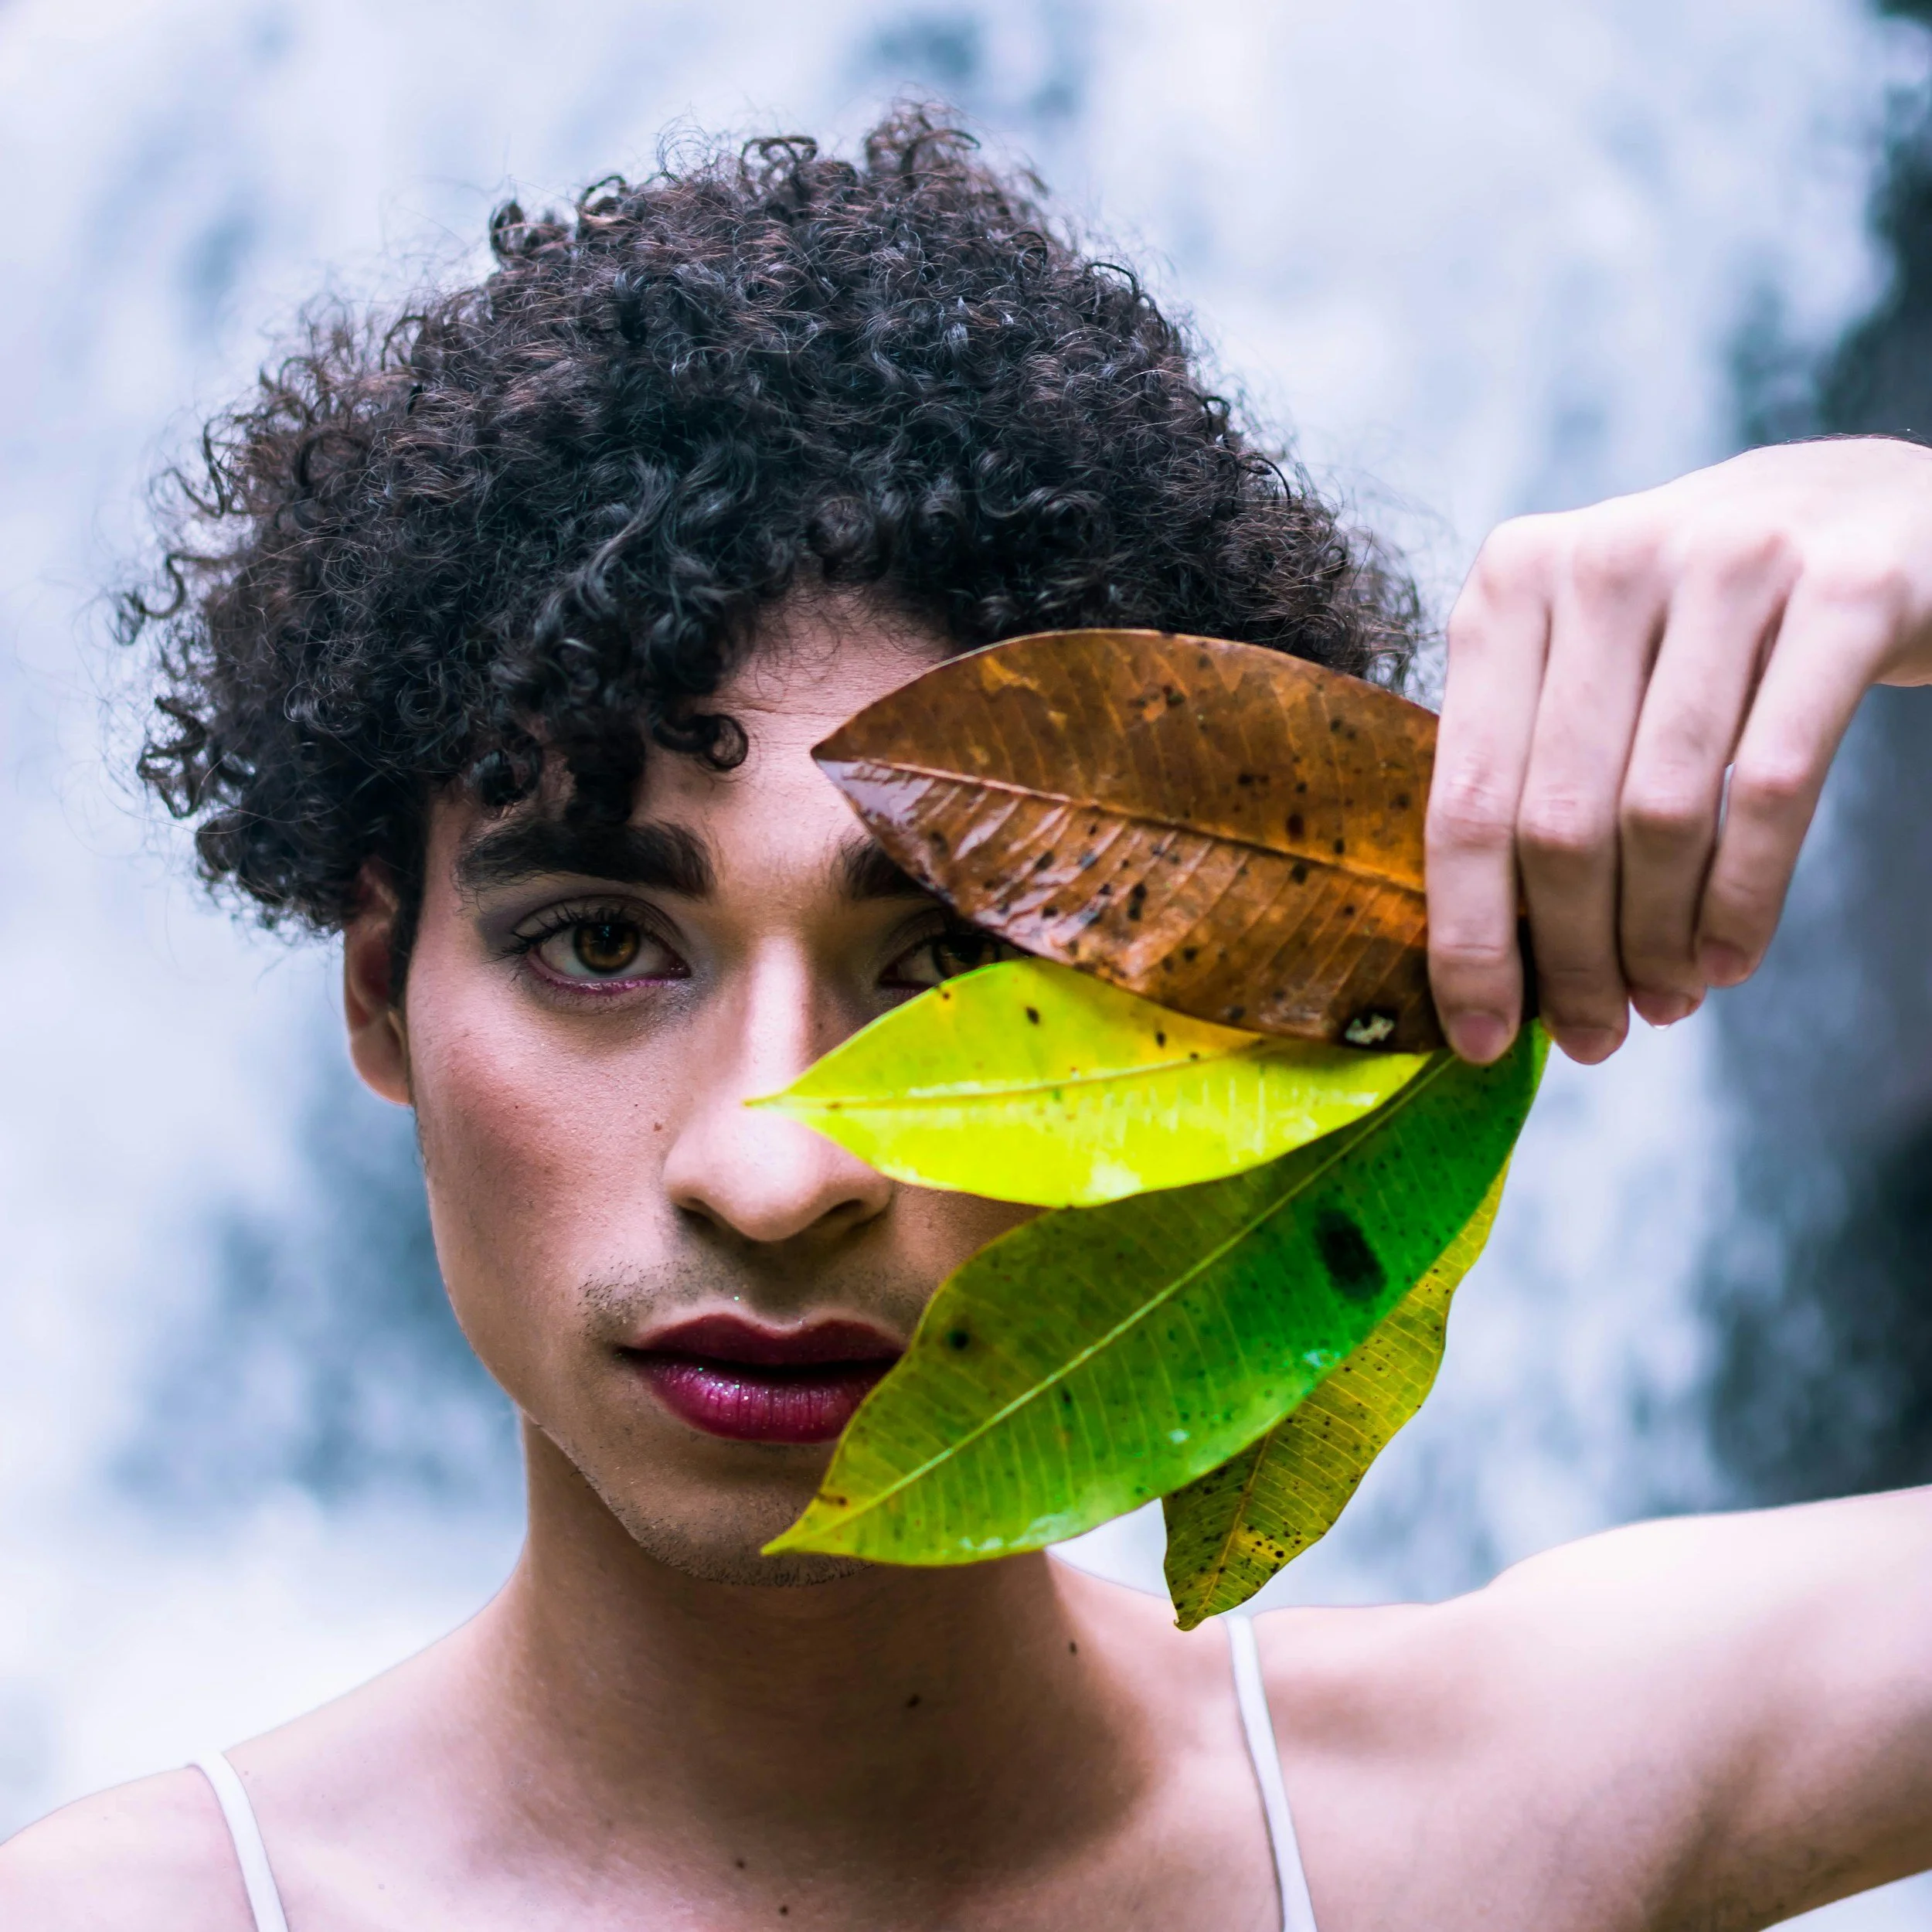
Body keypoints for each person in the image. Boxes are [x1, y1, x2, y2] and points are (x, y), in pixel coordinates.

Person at [2, 109, 1928, 1932]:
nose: (775, 1168)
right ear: (380, 989)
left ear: (1196, 1023)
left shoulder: (1494, 1819)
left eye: (952, 977)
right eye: (601, 943)